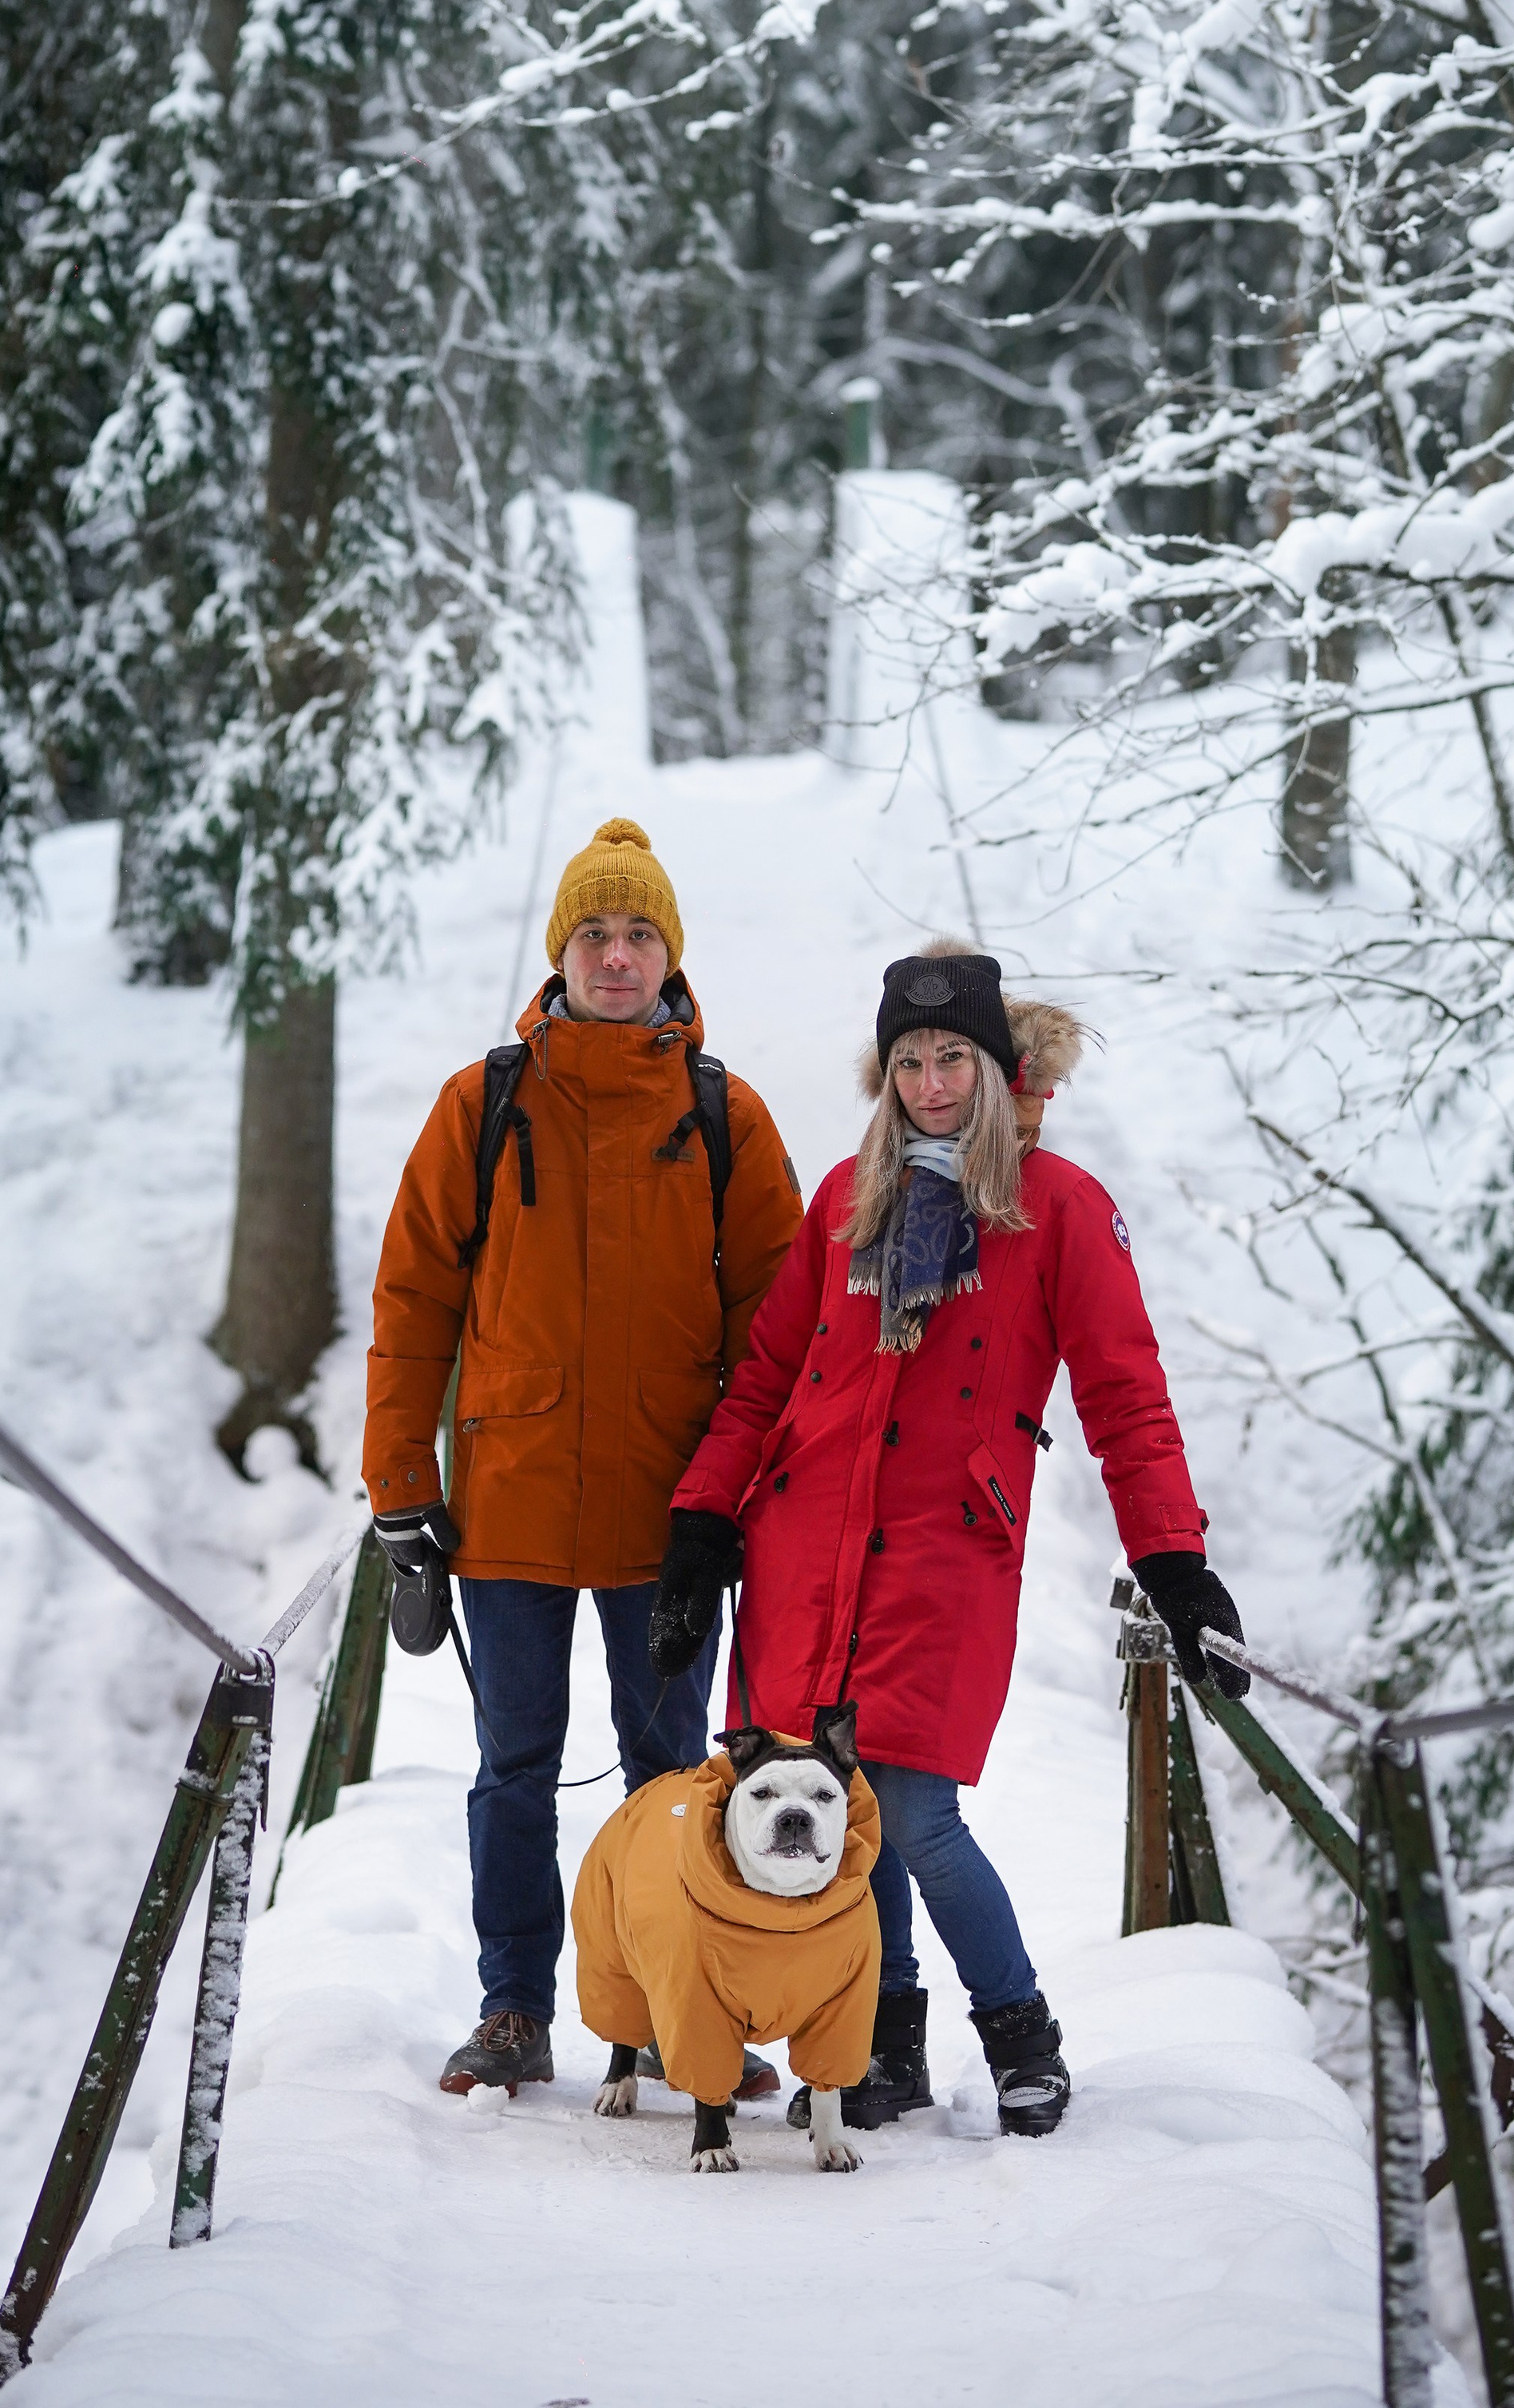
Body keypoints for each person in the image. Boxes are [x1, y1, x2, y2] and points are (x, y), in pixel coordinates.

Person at [651, 942, 1246, 2138]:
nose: (930, 1083)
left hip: (943, 1556)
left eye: (952, 1059)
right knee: (839, 1808)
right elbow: (768, 1377)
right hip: (801, 1550)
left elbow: (1127, 1398)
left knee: (915, 1817)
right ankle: (884, 2044)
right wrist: (704, 1518)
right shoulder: (841, 1202)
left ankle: (1022, 2034)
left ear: (994, 1065)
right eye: (910, 1061)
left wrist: (1173, 1562)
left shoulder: (1060, 1208)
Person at [363, 815, 803, 2096]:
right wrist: (403, 1492)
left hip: (668, 1513)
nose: (618, 956)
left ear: (672, 955)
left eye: (640, 934)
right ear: (563, 953)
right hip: (506, 1505)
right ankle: (514, 2010)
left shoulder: (726, 1114)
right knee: (514, 1768)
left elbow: (775, 1335)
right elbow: (410, 1304)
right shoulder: (486, 1100)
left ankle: (666, 2009)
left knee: (671, 1774)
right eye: (596, 934)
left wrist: (742, 1503)